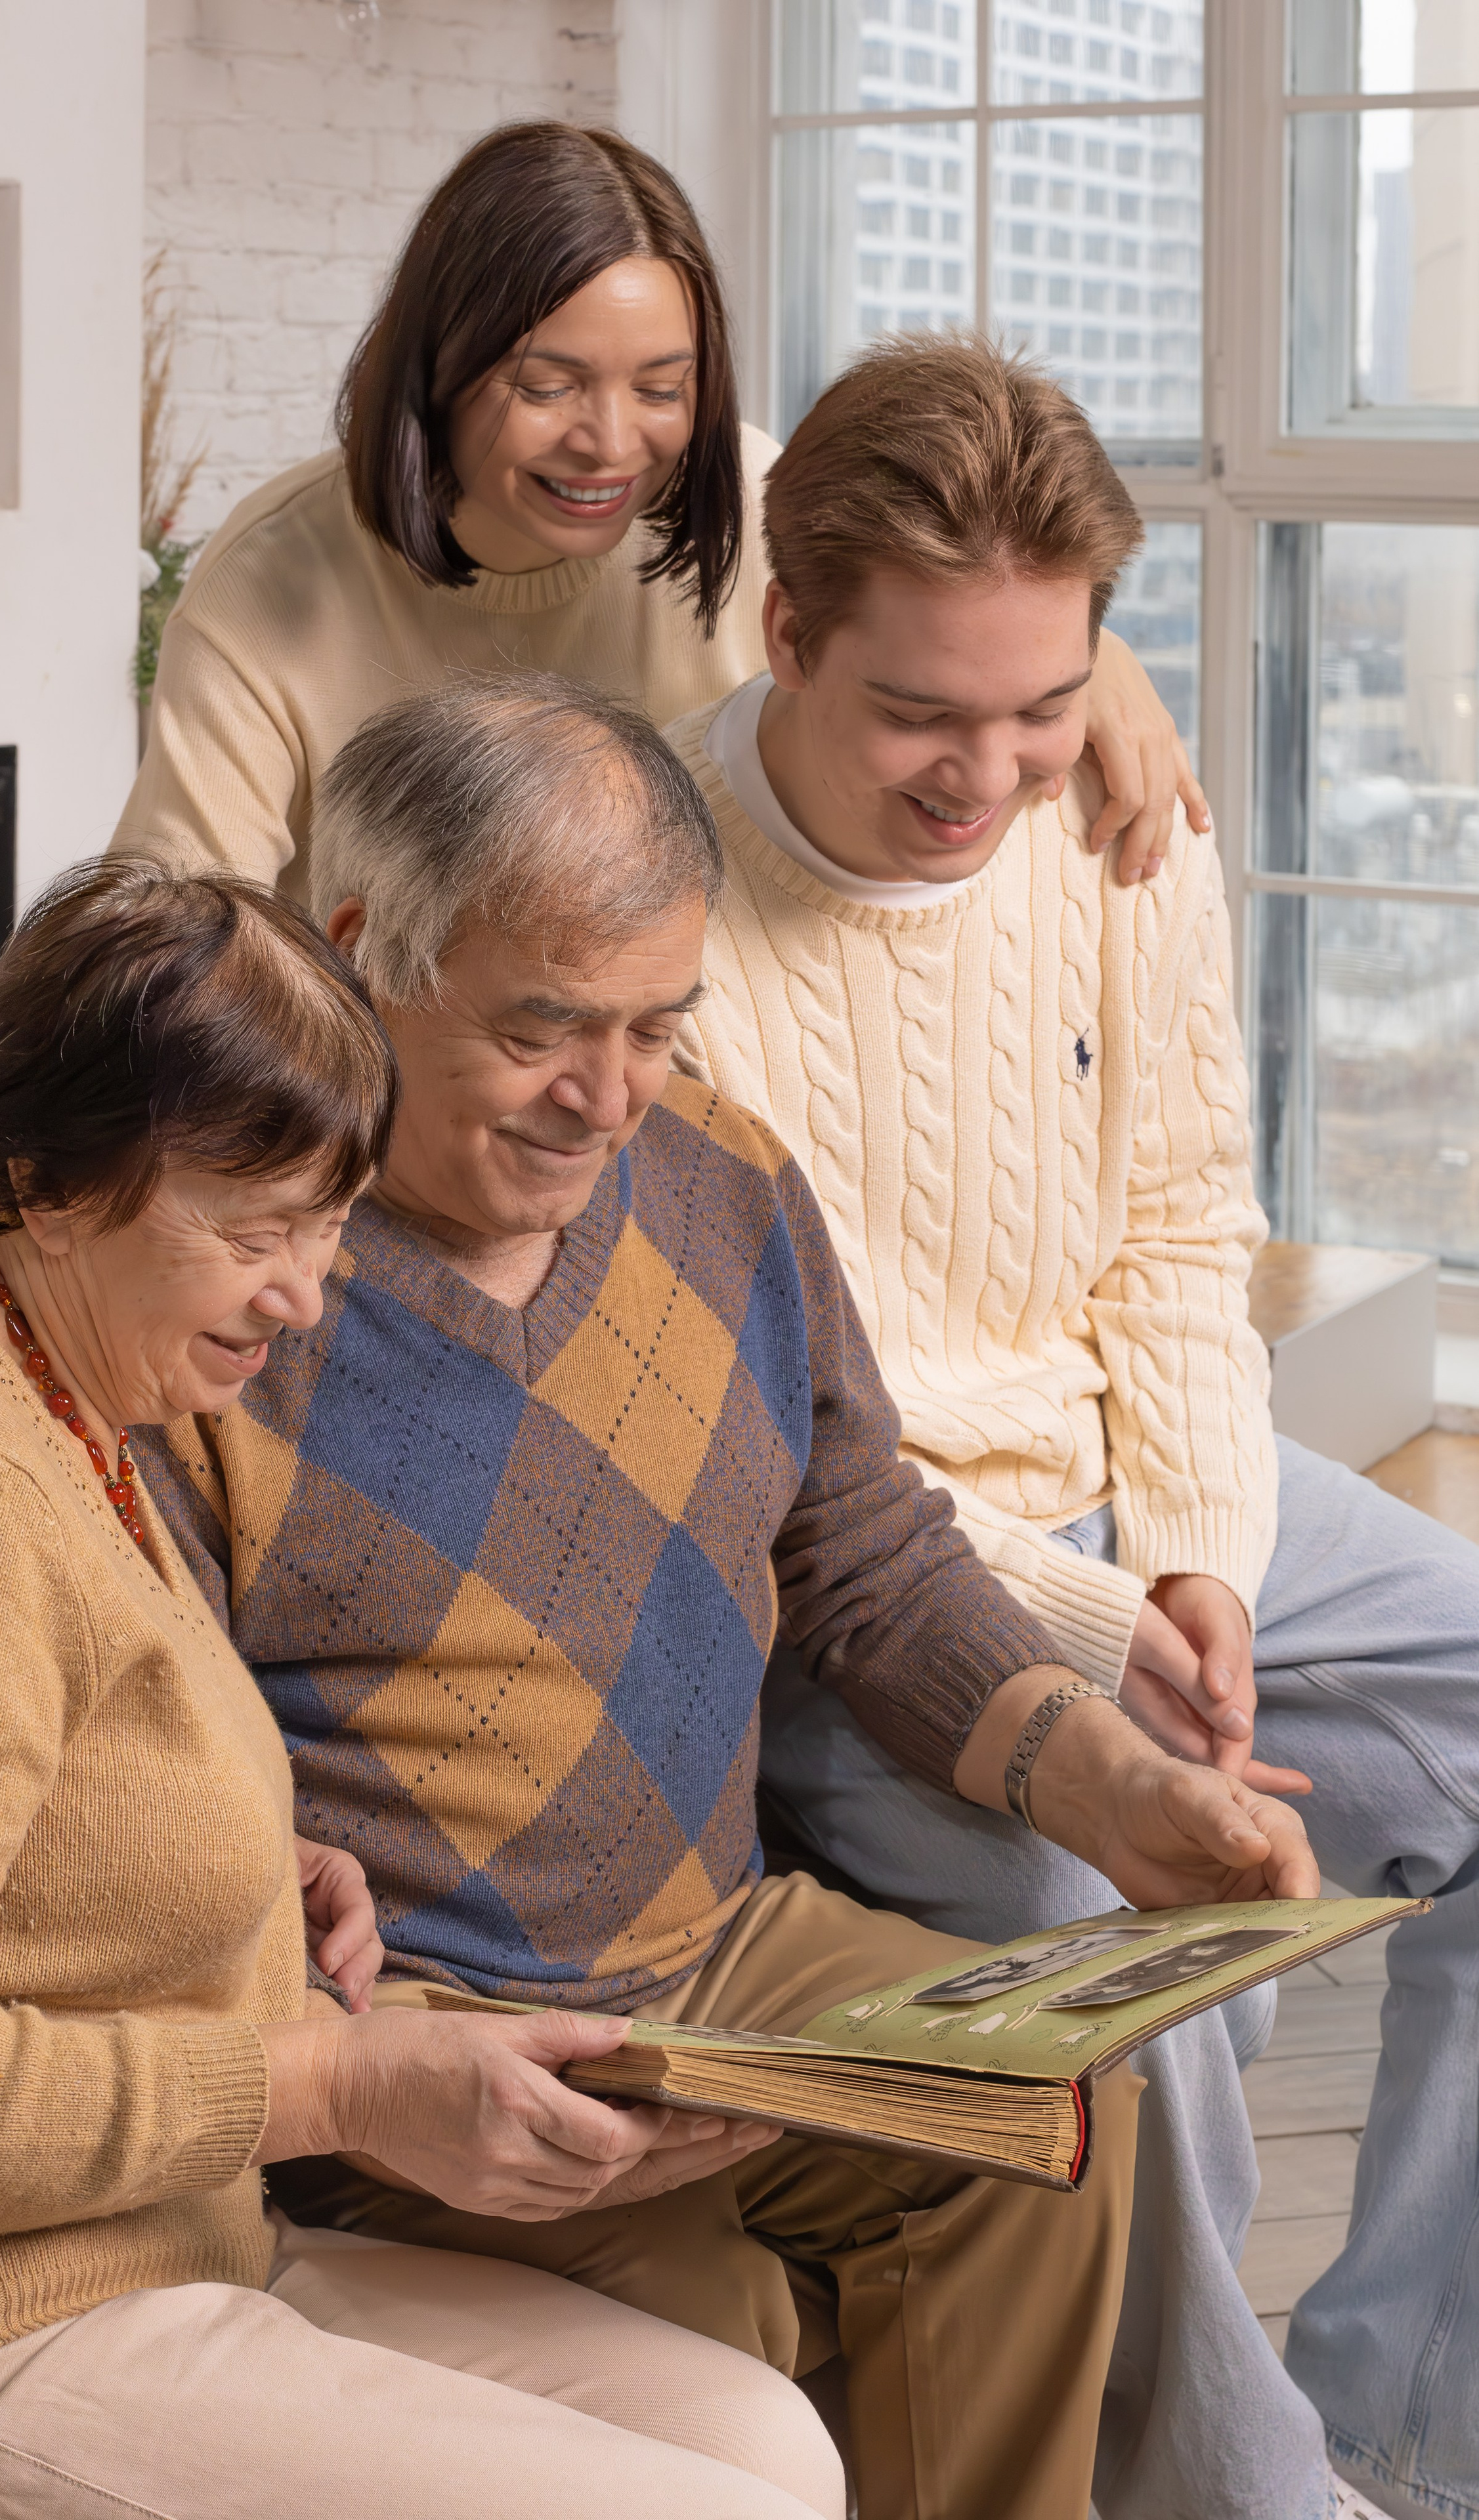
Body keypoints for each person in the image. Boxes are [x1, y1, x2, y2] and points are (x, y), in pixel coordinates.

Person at [135, 677, 1320, 2520]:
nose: (609, 1096)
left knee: (1053, 2125)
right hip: (433, 2031)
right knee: (718, 2353)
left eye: (656, 1028)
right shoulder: (231, 1278)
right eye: (545, 1031)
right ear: (366, 951)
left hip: (723, 1956)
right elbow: (149, 1775)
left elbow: (867, 1555)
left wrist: (1123, 1790)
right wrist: (353, 2042)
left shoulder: (727, 1186)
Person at [662, 333, 1477, 2520]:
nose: (985, 773)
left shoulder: (1113, 821)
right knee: (1134, 1946)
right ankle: (1241, 2496)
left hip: (1155, 1499)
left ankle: (1416, 2420)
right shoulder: (655, 908)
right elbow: (780, 1460)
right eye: (919, 714)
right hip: (886, 1590)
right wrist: (1098, 1631)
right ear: (786, 630)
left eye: (1041, 705)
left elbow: (1180, 1236)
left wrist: (1201, 1556)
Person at [0, 859, 849, 2520]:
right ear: (41, 1184)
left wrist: (229, 1882)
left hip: (171, 2245)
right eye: (254, 1230)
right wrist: (332, 2080)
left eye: (329, 1223)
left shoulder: (73, 1389)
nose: (301, 1296)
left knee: (763, 2447)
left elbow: (30, 1800)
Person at [111, 118, 1202, 908]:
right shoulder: (276, 579)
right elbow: (171, 932)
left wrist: (1095, 668)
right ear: (437, 367)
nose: (612, 441)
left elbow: (971, 594)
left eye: (662, 388)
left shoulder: (745, 486)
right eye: (548, 386)